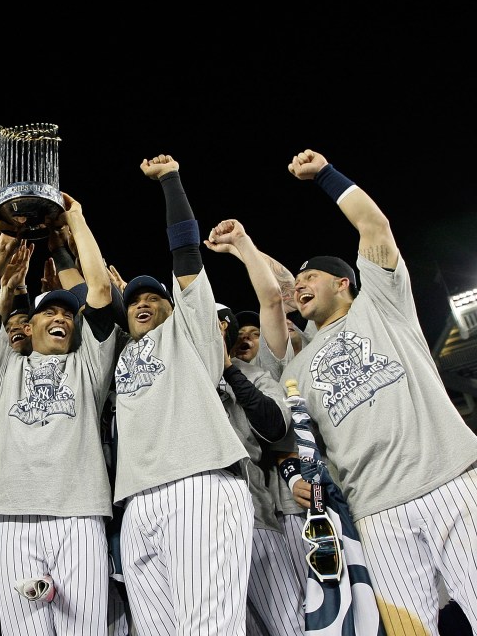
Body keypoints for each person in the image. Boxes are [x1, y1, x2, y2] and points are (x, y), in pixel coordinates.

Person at [277, 148, 477, 633]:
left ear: (344, 282)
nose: (298, 286)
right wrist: (295, 479)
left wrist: (325, 175)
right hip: (376, 513)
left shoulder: (382, 304)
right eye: (296, 282)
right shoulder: (297, 367)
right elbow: (303, 447)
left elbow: (374, 227)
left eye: (310, 277)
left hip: (450, 482)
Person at [113, 154, 253, 635]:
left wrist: (170, 181)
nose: (143, 302)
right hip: (136, 500)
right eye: (134, 300)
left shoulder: (189, 334)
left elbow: (186, 253)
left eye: (154, 297)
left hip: (200, 485)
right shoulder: (119, 354)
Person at [0, 192, 119, 635]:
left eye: (66, 314)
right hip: (14, 517)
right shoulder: (4, 368)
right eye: (48, 312)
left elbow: (101, 291)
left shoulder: (89, 365)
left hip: (80, 514)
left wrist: (77, 219)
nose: (61, 317)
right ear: (27, 326)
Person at [215, 304, 302, 636]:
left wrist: (229, 371)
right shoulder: (180, 373)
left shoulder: (253, 374)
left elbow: (276, 426)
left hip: (255, 519)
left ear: (225, 328)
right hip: (195, 528)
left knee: (289, 624)